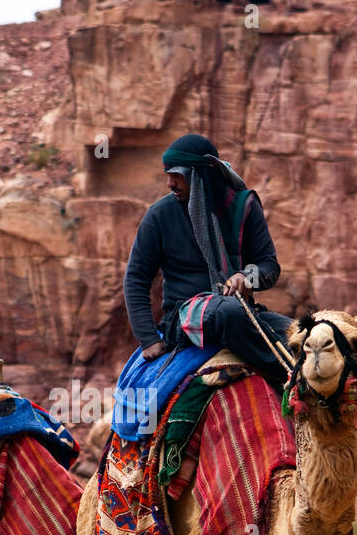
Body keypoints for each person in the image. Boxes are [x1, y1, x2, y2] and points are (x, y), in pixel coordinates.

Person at [123, 132, 293, 385]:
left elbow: (269, 266)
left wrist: (246, 277)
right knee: (229, 311)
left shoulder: (244, 207)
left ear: (201, 175)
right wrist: (149, 339)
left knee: (301, 332)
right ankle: (290, 374)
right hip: (184, 317)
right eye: (168, 175)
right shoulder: (159, 215)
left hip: (241, 314)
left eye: (177, 175)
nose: (170, 183)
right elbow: (136, 278)